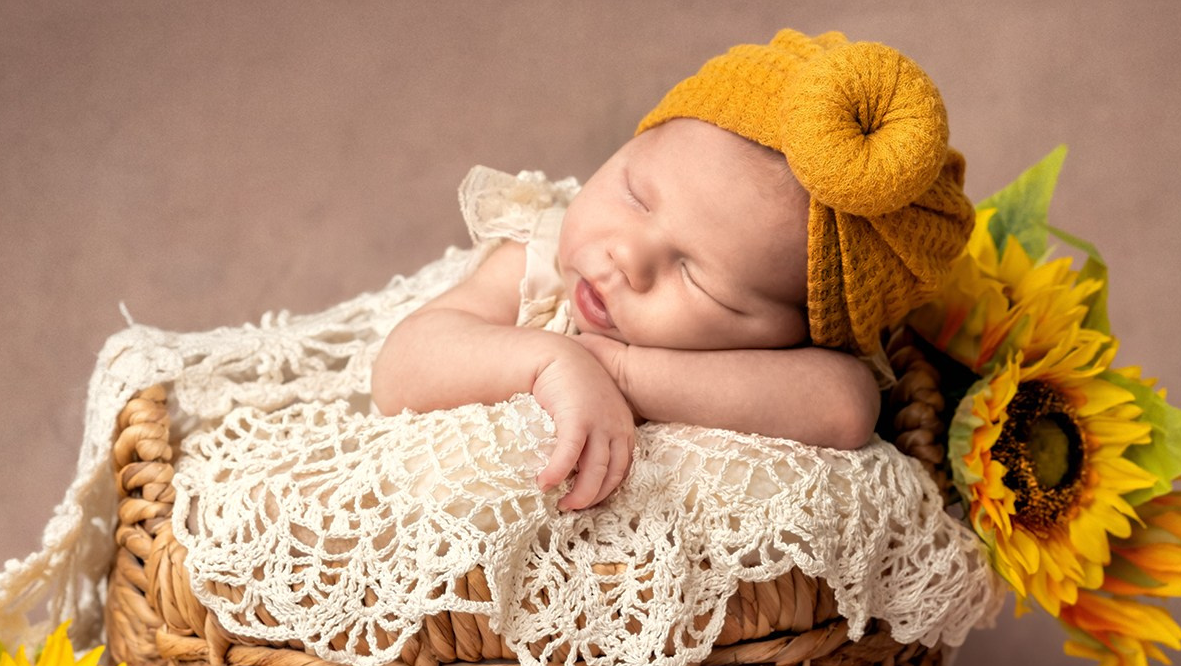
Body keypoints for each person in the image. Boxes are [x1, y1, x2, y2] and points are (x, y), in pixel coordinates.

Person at [371, 30, 976, 508]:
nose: (627, 258)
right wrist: (551, 359)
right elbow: (402, 367)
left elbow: (847, 407)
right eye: (634, 195)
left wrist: (624, 372)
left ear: (796, 332)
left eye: (695, 276)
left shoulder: (772, 363)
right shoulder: (541, 263)